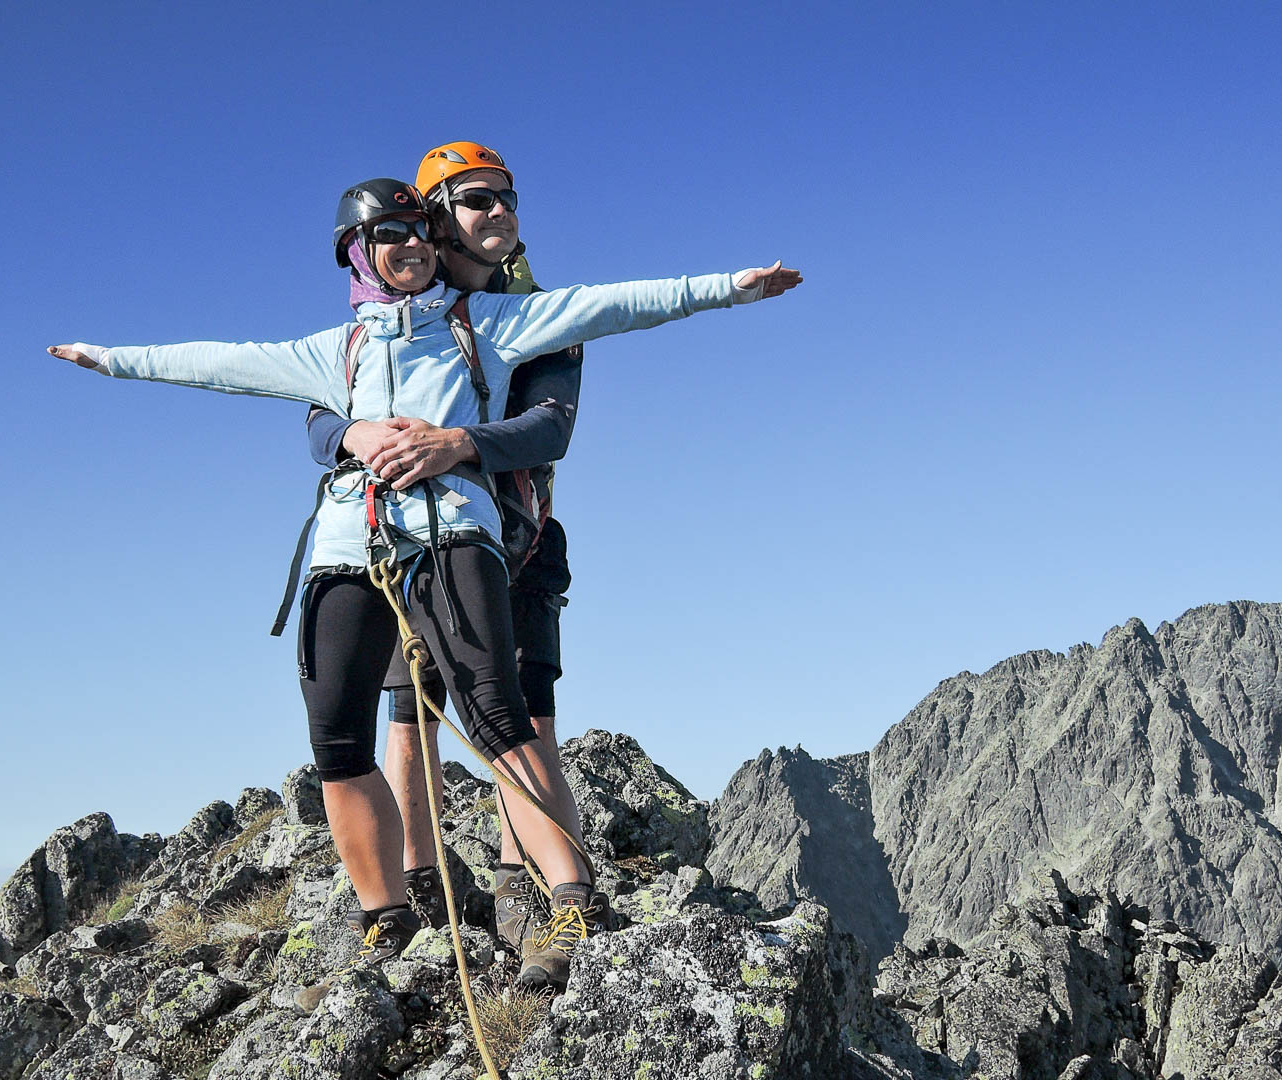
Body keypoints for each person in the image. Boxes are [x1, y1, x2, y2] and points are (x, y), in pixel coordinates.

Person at [48, 177, 801, 989]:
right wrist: (113, 361)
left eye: (418, 230)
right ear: (356, 252)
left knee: (494, 710)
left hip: (455, 535)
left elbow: (610, 305)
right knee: (337, 735)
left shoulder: (488, 322)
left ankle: (574, 900)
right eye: (389, 234)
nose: (409, 245)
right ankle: (386, 916)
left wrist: (729, 289)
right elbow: (218, 363)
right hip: (348, 548)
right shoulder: (331, 353)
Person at [306, 142, 579, 960]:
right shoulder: (395, 309)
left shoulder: (532, 314)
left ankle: (531, 894)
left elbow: (551, 427)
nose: (500, 213)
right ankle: (426, 889)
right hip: (399, 538)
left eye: (507, 198)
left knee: (517, 715)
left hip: (512, 538)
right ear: (434, 218)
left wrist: (455, 443)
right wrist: (349, 432)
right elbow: (323, 410)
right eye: (477, 201)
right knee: (411, 710)